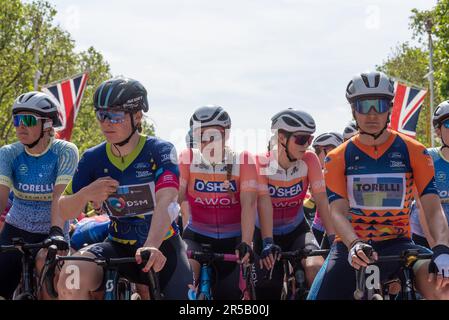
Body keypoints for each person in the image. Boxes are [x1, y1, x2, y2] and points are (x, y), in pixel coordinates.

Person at [308, 71, 449, 300]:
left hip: (399, 243)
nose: (372, 114)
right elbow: (338, 213)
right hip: (352, 246)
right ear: (354, 111)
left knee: (443, 288)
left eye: (379, 105)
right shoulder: (336, 157)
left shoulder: (414, 151)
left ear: (390, 108)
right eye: (364, 106)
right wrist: (354, 243)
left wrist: (442, 248)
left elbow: (432, 208)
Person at [56, 77, 192, 300]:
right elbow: (64, 210)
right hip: (118, 244)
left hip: (161, 246)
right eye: (102, 115)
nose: (107, 123)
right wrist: (85, 194)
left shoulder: (158, 150)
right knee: (71, 274)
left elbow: (168, 198)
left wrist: (151, 245)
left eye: (116, 116)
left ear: (137, 116)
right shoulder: (93, 158)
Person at [0, 92, 78, 299]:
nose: (20, 126)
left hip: (53, 230)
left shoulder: (65, 151)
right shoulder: (8, 153)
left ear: (47, 125)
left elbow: (59, 196)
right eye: (17, 120)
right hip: (16, 229)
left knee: (50, 282)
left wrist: (55, 231)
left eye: (27, 120)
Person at [178, 105, 258, 300]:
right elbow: (176, 197)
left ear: (226, 134)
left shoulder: (243, 160)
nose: (207, 141)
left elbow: (248, 205)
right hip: (196, 235)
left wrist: (246, 242)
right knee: (184, 285)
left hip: (234, 240)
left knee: (229, 294)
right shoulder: (187, 159)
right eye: (201, 135)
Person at [254, 108, 335, 299]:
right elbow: (264, 203)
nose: (307, 145)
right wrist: (267, 241)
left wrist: (333, 237)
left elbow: (322, 199)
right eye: (301, 139)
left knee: (316, 268)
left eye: (310, 139)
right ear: (282, 137)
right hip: (266, 231)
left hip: (297, 229)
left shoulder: (310, 159)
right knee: (268, 284)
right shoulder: (261, 163)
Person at [410, 100, 449, 249]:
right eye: (448, 124)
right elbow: (421, 206)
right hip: (424, 235)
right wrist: (437, 249)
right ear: (438, 130)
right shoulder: (428, 158)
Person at [310, 132, 344, 247]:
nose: (315, 155)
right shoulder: (320, 173)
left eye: (318, 151)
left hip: (336, 227)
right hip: (322, 228)